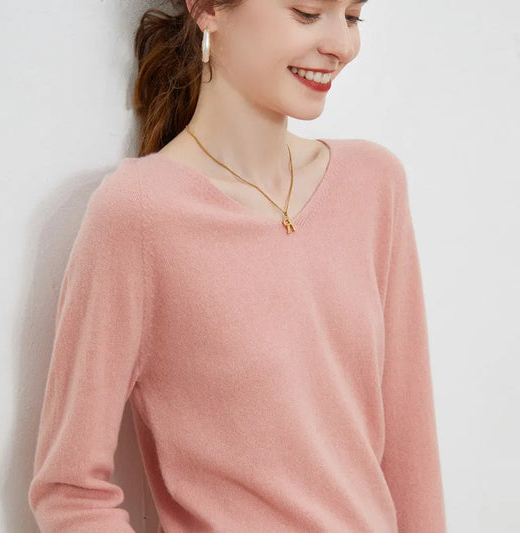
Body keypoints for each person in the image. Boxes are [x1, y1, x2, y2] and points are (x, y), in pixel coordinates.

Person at [28, 0, 447, 531]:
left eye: (352, 16)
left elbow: (411, 456)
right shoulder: (138, 214)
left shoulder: (373, 184)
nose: (342, 45)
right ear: (208, 9)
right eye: (307, 12)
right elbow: (69, 492)